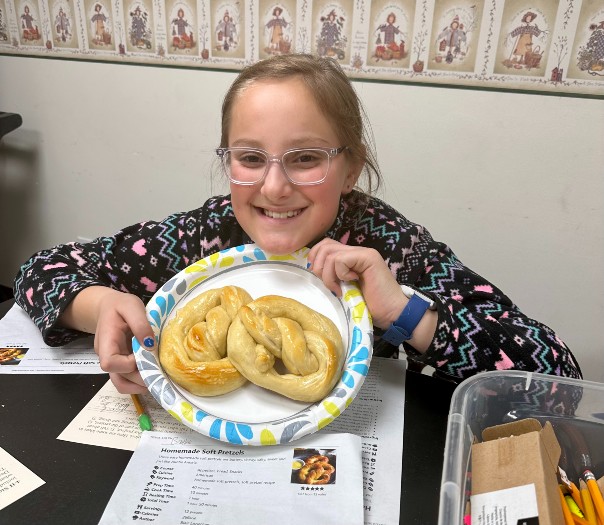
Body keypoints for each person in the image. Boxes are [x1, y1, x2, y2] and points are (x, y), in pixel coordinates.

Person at [13, 53, 582, 395]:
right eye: (251, 158)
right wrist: (97, 304)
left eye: (306, 158)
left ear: (351, 166)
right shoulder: (203, 238)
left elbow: (555, 375)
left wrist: (403, 311)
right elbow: (42, 269)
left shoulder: (388, 246)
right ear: (227, 162)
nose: (274, 187)